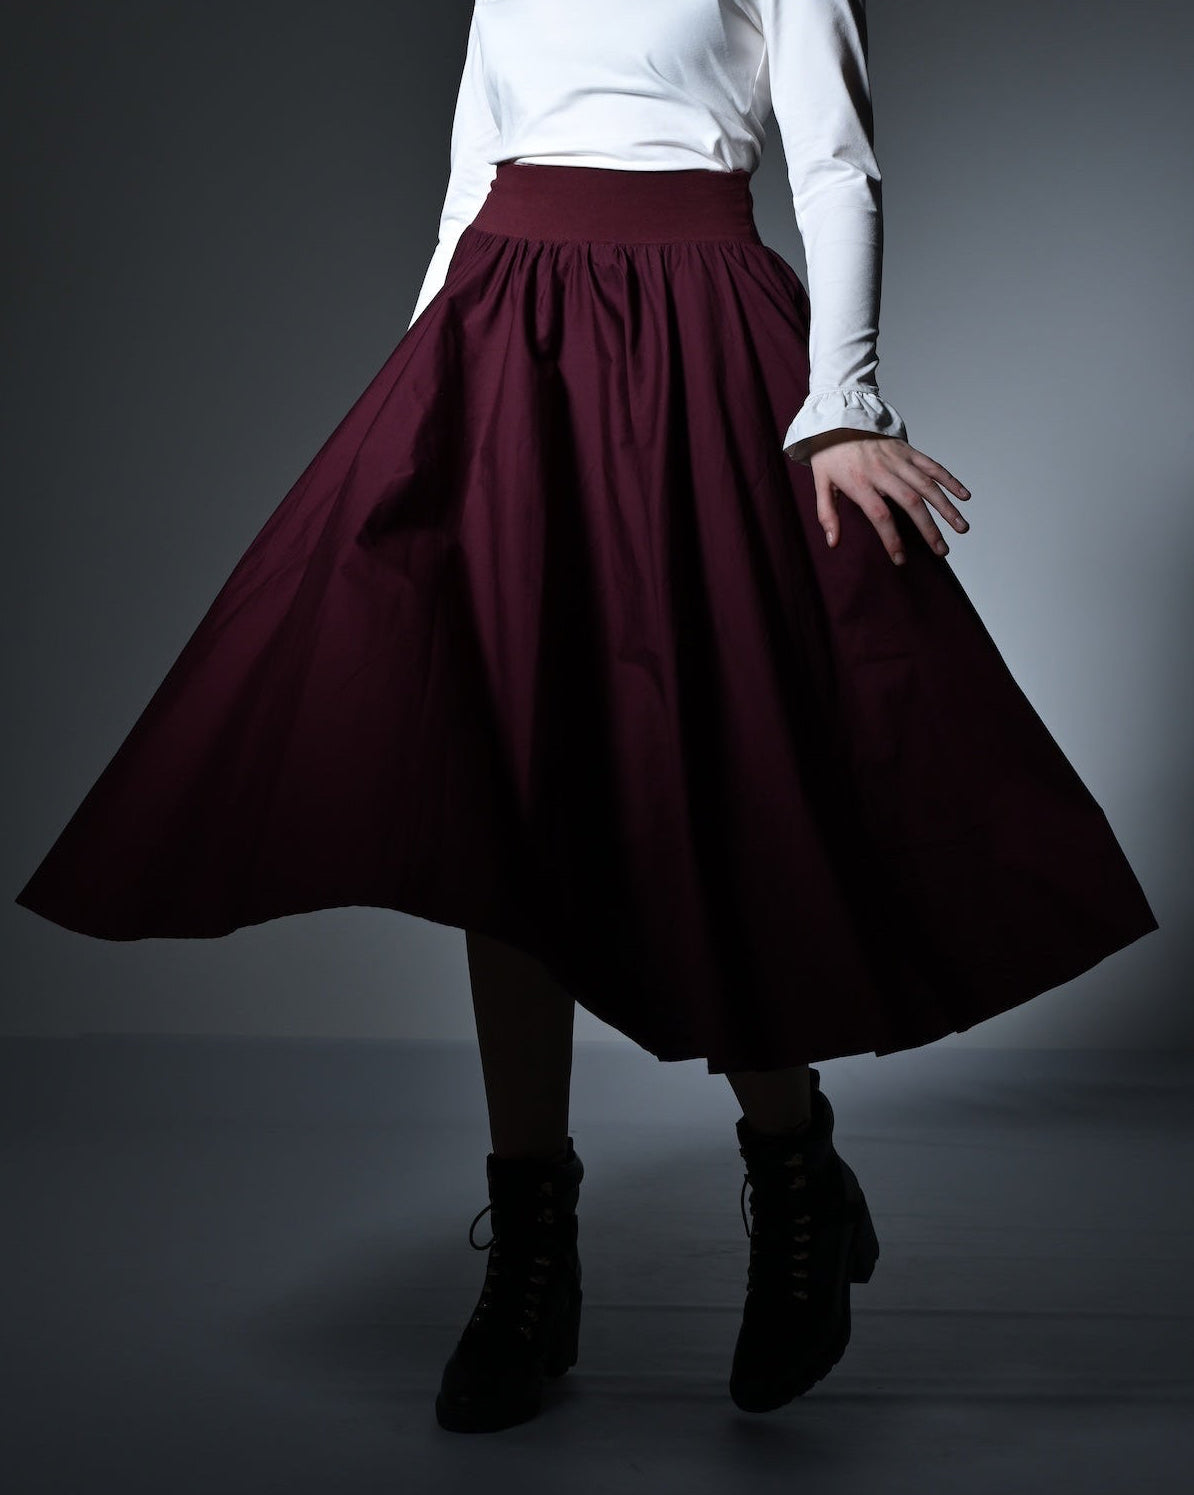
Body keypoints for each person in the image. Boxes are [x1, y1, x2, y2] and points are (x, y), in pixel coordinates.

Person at [14, 0, 1159, 1435]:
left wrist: (840, 400)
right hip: (507, 348)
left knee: (719, 770)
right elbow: (472, 168)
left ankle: (793, 1170)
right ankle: (531, 1261)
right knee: (505, 787)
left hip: (694, 344)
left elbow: (833, 162)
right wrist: (419, 390)